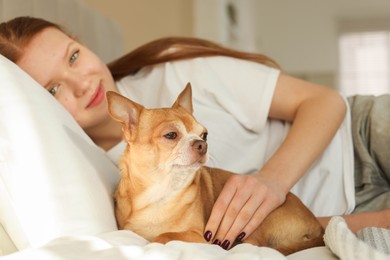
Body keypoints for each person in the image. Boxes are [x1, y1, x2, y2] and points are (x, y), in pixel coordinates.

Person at [0, 16, 389, 250]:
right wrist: (331, 225)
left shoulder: (172, 71)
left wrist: (271, 182)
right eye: (53, 89)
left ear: (83, 45)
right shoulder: (98, 174)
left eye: (73, 56)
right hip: (346, 210)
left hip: (359, 132)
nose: (82, 83)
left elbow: (327, 102)